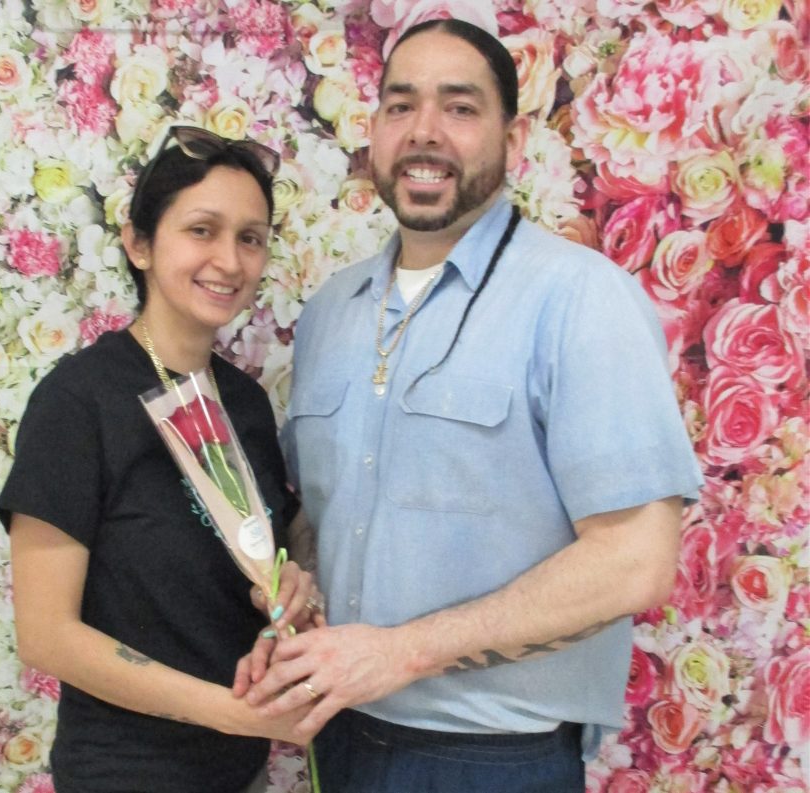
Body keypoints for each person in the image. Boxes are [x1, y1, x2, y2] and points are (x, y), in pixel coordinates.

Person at [237, 18, 704, 793]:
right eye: (400, 105)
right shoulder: (330, 313)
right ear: (374, 132)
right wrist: (301, 584)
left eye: (459, 107)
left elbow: (636, 559)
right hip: (339, 738)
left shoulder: (580, 299)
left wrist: (402, 651)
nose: (425, 132)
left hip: (492, 759)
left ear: (513, 142)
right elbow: (327, 511)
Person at [0, 126, 323, 793]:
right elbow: (46, 635)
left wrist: (300, 582)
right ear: (139, 243)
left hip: (239, 774)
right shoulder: (77, 401)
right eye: (202, 230)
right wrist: (228, 713)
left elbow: (275, 543)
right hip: (125, 773)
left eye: (250, 238)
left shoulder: (245, 402)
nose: (229, 261)